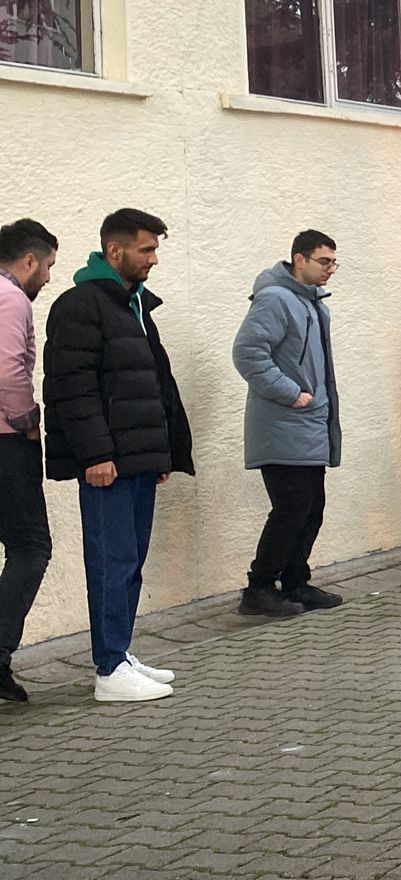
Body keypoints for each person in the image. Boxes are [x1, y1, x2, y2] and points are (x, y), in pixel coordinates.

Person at [43, 209, 192, 703]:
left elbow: (151, 383)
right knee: (111, 561)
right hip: (107, 464)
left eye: (155, 250)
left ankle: (121, 652)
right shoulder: (81, 305)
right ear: (115, 251)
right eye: (146, 250)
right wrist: (96, 454)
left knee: (130, 563)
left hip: (138, 459)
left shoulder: (133, 304)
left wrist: (163, 451)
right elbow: (73, 387)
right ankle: (108, 668)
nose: (153, 259)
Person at [233, 230, 345, 619]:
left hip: (309, 424)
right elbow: (248, 353)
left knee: (312, 505)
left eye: (334, 261)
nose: (331, 269)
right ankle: (259, 587)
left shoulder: (314, 305)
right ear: (299, 259)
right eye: (323, 261)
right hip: (283, 425)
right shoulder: (275, 299)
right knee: (291, 507)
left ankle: (296, 580)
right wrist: (290, 392)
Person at [0, 219, 58, 704]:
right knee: (31, 547)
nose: (47, 278)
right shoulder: (11, 296)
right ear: (30, 260)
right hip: (6, 441)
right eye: (48, 267)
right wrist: (26, 419)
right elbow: (9, 365)